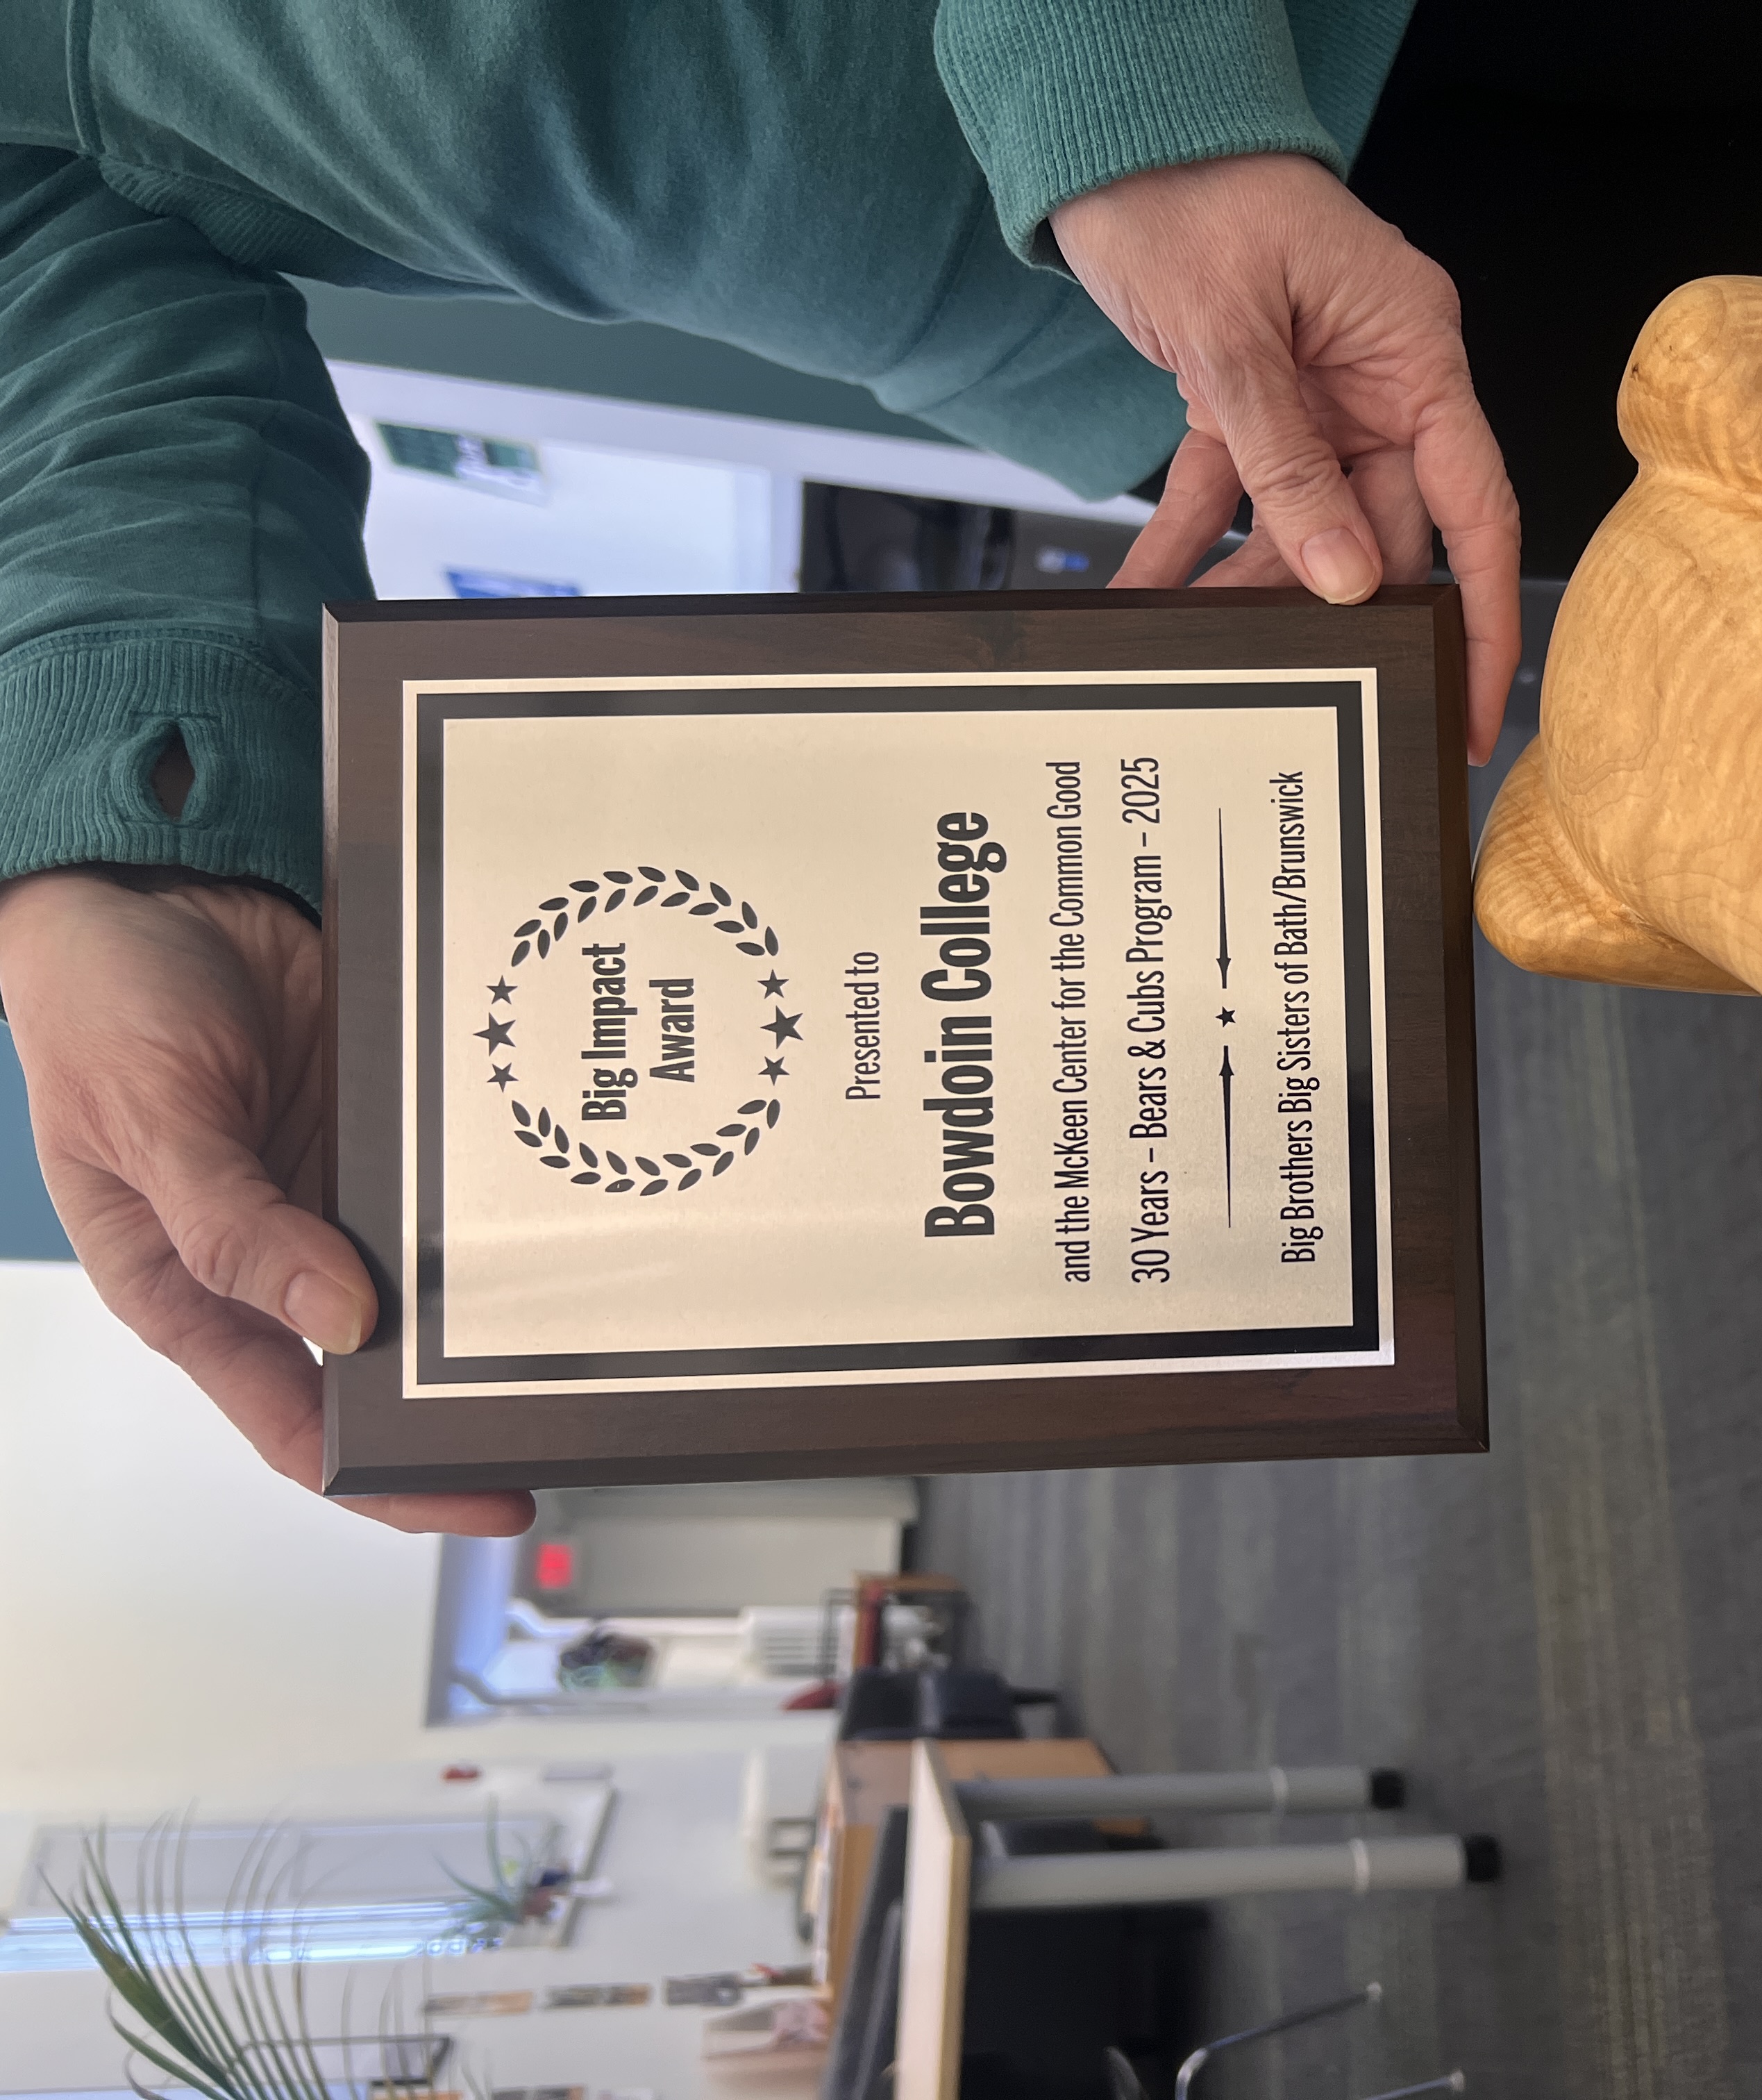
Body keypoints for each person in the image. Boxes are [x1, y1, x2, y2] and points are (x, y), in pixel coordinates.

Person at [0, 1, 1520, 1538]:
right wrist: (142, 822)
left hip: (1193, 132)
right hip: (1113, 335)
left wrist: (1115, 76)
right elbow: (46, 261)